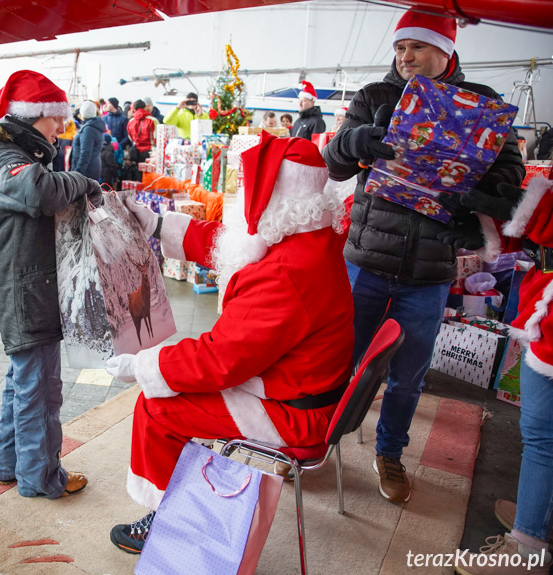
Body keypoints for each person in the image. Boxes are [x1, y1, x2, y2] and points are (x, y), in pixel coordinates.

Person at [106, 132, 354, 553]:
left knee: (157, 406)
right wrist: (157, 224)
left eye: (248, 183)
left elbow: (220, 360)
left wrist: (145, 365)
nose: (241, 193)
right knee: (177, 381)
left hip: (292, 415)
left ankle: (170, 519)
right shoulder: (309, 234)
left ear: (273, 195)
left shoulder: (286, 273)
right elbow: (231, 244)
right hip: (302, 388)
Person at [322, 10, 525, 504]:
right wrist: (354, 141)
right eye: (399, 48)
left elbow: (510, 173)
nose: (406, 57)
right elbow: (334, 163)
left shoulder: (482, 104)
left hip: (431, 269)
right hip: (366, 258)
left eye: (417, 47)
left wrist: (478, 203)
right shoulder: (376, 96)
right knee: (336, 360)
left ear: (445, 50)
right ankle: (318, 439)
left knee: (408, 374)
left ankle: (390, 453)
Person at [0, 70, 103, 499]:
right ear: (33, 115)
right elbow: (40, 192)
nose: (61, 127)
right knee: (41, 388)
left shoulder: (10, 152)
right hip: (25, 289)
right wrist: (83, 181)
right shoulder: (7, 158)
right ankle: (42, 478)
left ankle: (11, 465)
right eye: (55, 118)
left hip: (26, 284)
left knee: (23, 380)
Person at [454, 177, 553, 574]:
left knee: (543, 435)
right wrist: (497, 220)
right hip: (543, 308)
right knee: (538, 434)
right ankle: (537, 513)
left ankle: (529, 546)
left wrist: (532, 208)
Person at [70, 100, 104, 180]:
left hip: (86, 171)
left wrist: (77, 173)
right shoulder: (94, 126)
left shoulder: (88, 129)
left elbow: (86, 153)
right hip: (92, 168)